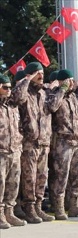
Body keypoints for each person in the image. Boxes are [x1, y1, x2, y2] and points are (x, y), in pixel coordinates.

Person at [12, 62, 54, 224]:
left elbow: (53, 108)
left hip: (44, 141)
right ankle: (28, 208)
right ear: (29, 75)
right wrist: (26, 80)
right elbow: (16, 98)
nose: (41, 76)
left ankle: (38, 206)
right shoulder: (24, 91)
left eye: (42, 73)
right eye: (37, 73)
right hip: (29, 142)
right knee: (29, 177)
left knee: (42, 177)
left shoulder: (43, 94)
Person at [45, 69, 78, 219]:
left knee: (77, 176)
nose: (72, 83)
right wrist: (62, 89)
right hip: (62, 142)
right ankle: (59, 207)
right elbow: (52, 107)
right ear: (62, 81)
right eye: (69, 80)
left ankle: (74, 206)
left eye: (72, 80)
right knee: (61, 176)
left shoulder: (75, 98)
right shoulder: (54, 95)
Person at [0, 74, 24, 229]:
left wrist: (19, 144)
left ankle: (9, 212)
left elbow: (19, 127)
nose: (9, 90)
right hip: (1, 151)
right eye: (5, 87)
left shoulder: (12, 106)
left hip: (14, 150)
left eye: (10, 87)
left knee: (13, 184)